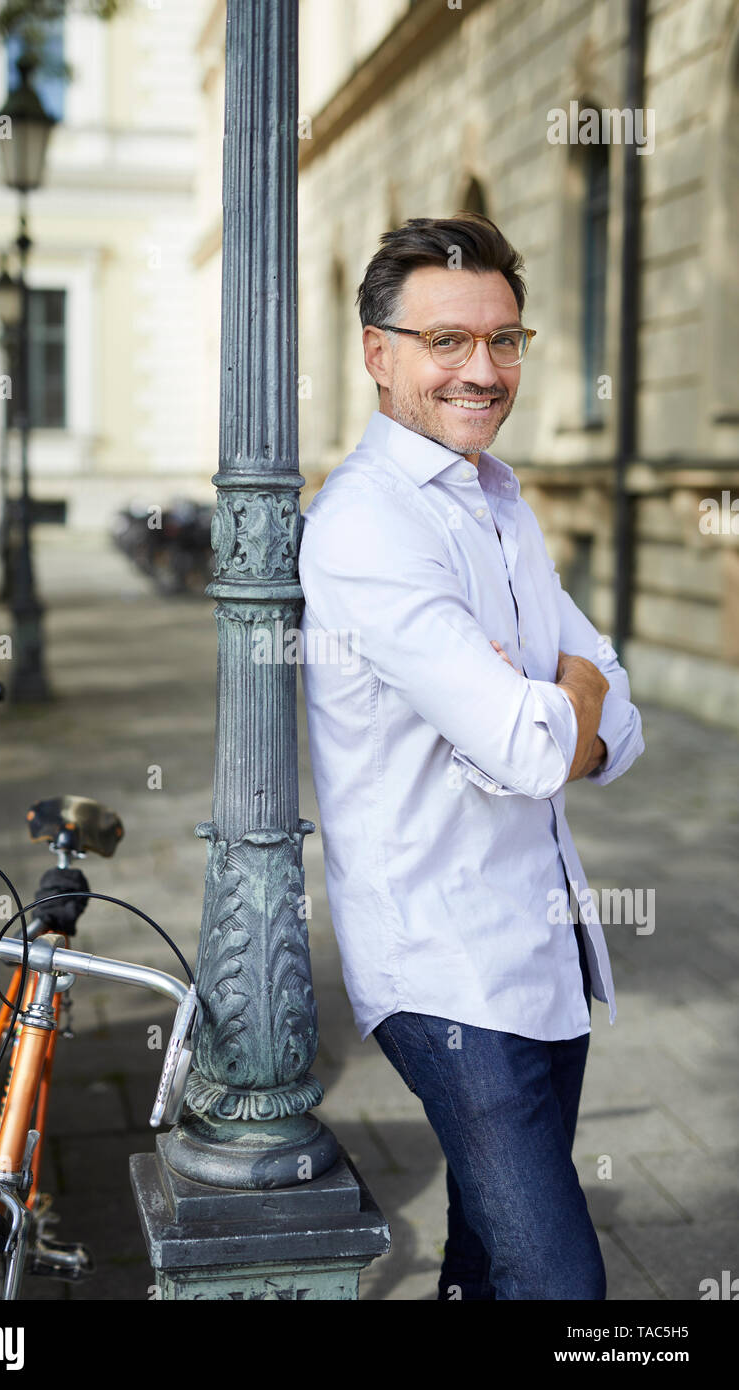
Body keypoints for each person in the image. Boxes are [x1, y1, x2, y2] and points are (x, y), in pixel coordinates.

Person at [297, 214, 645, 1300]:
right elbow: (532, 741)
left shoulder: (497, 498)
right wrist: (559, 695)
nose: (480, 370)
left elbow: (604, 720)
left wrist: (560, 694)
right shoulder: (368, 526)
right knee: (559, 1289)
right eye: (445, 341)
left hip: (540, 950)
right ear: (377, 352)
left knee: (485, 1266)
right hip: (444, 967)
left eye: (502, 340)